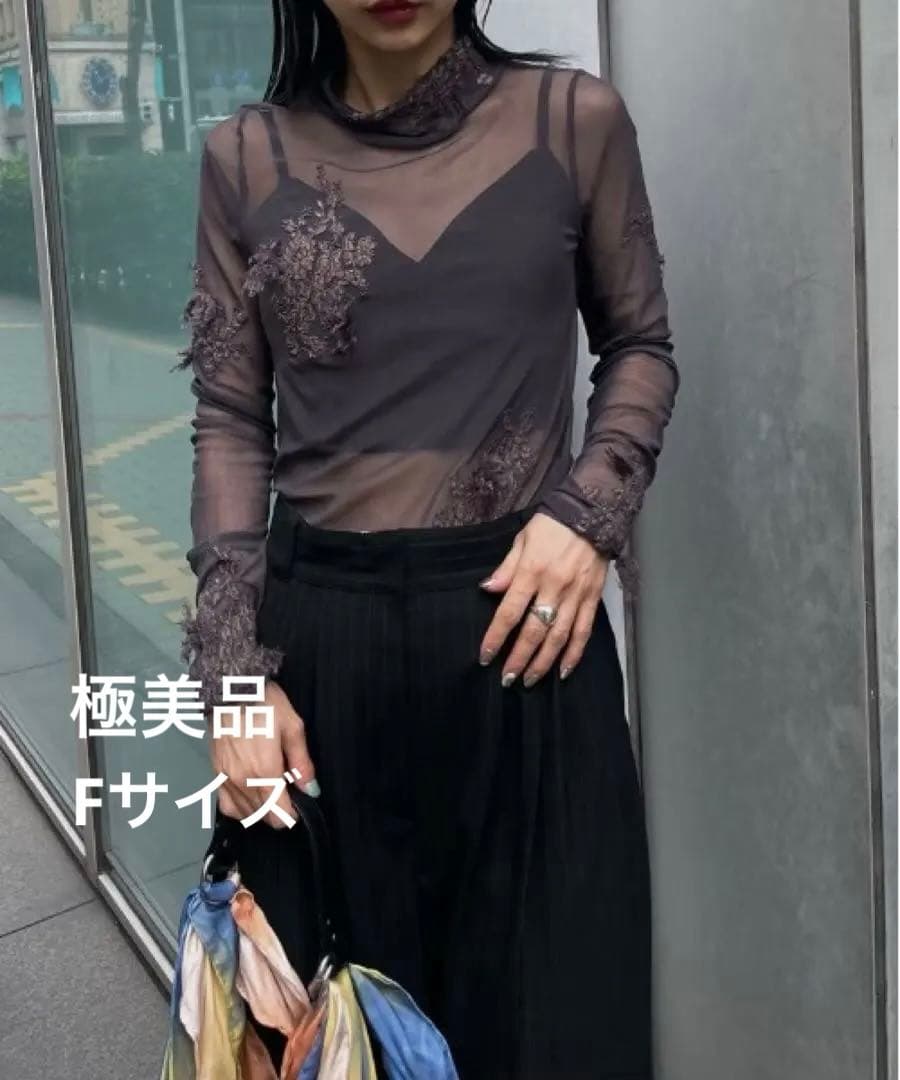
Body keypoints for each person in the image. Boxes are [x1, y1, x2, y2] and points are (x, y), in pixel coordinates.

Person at [175, 0, 679, 1075]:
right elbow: (229, 422)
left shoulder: (573, 121)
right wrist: (231, 680)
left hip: (528, 640)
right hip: (318, 661)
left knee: (561, 1022)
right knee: (331, 1033)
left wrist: (588, 515)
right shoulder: (244, 158)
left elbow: (639, 344)